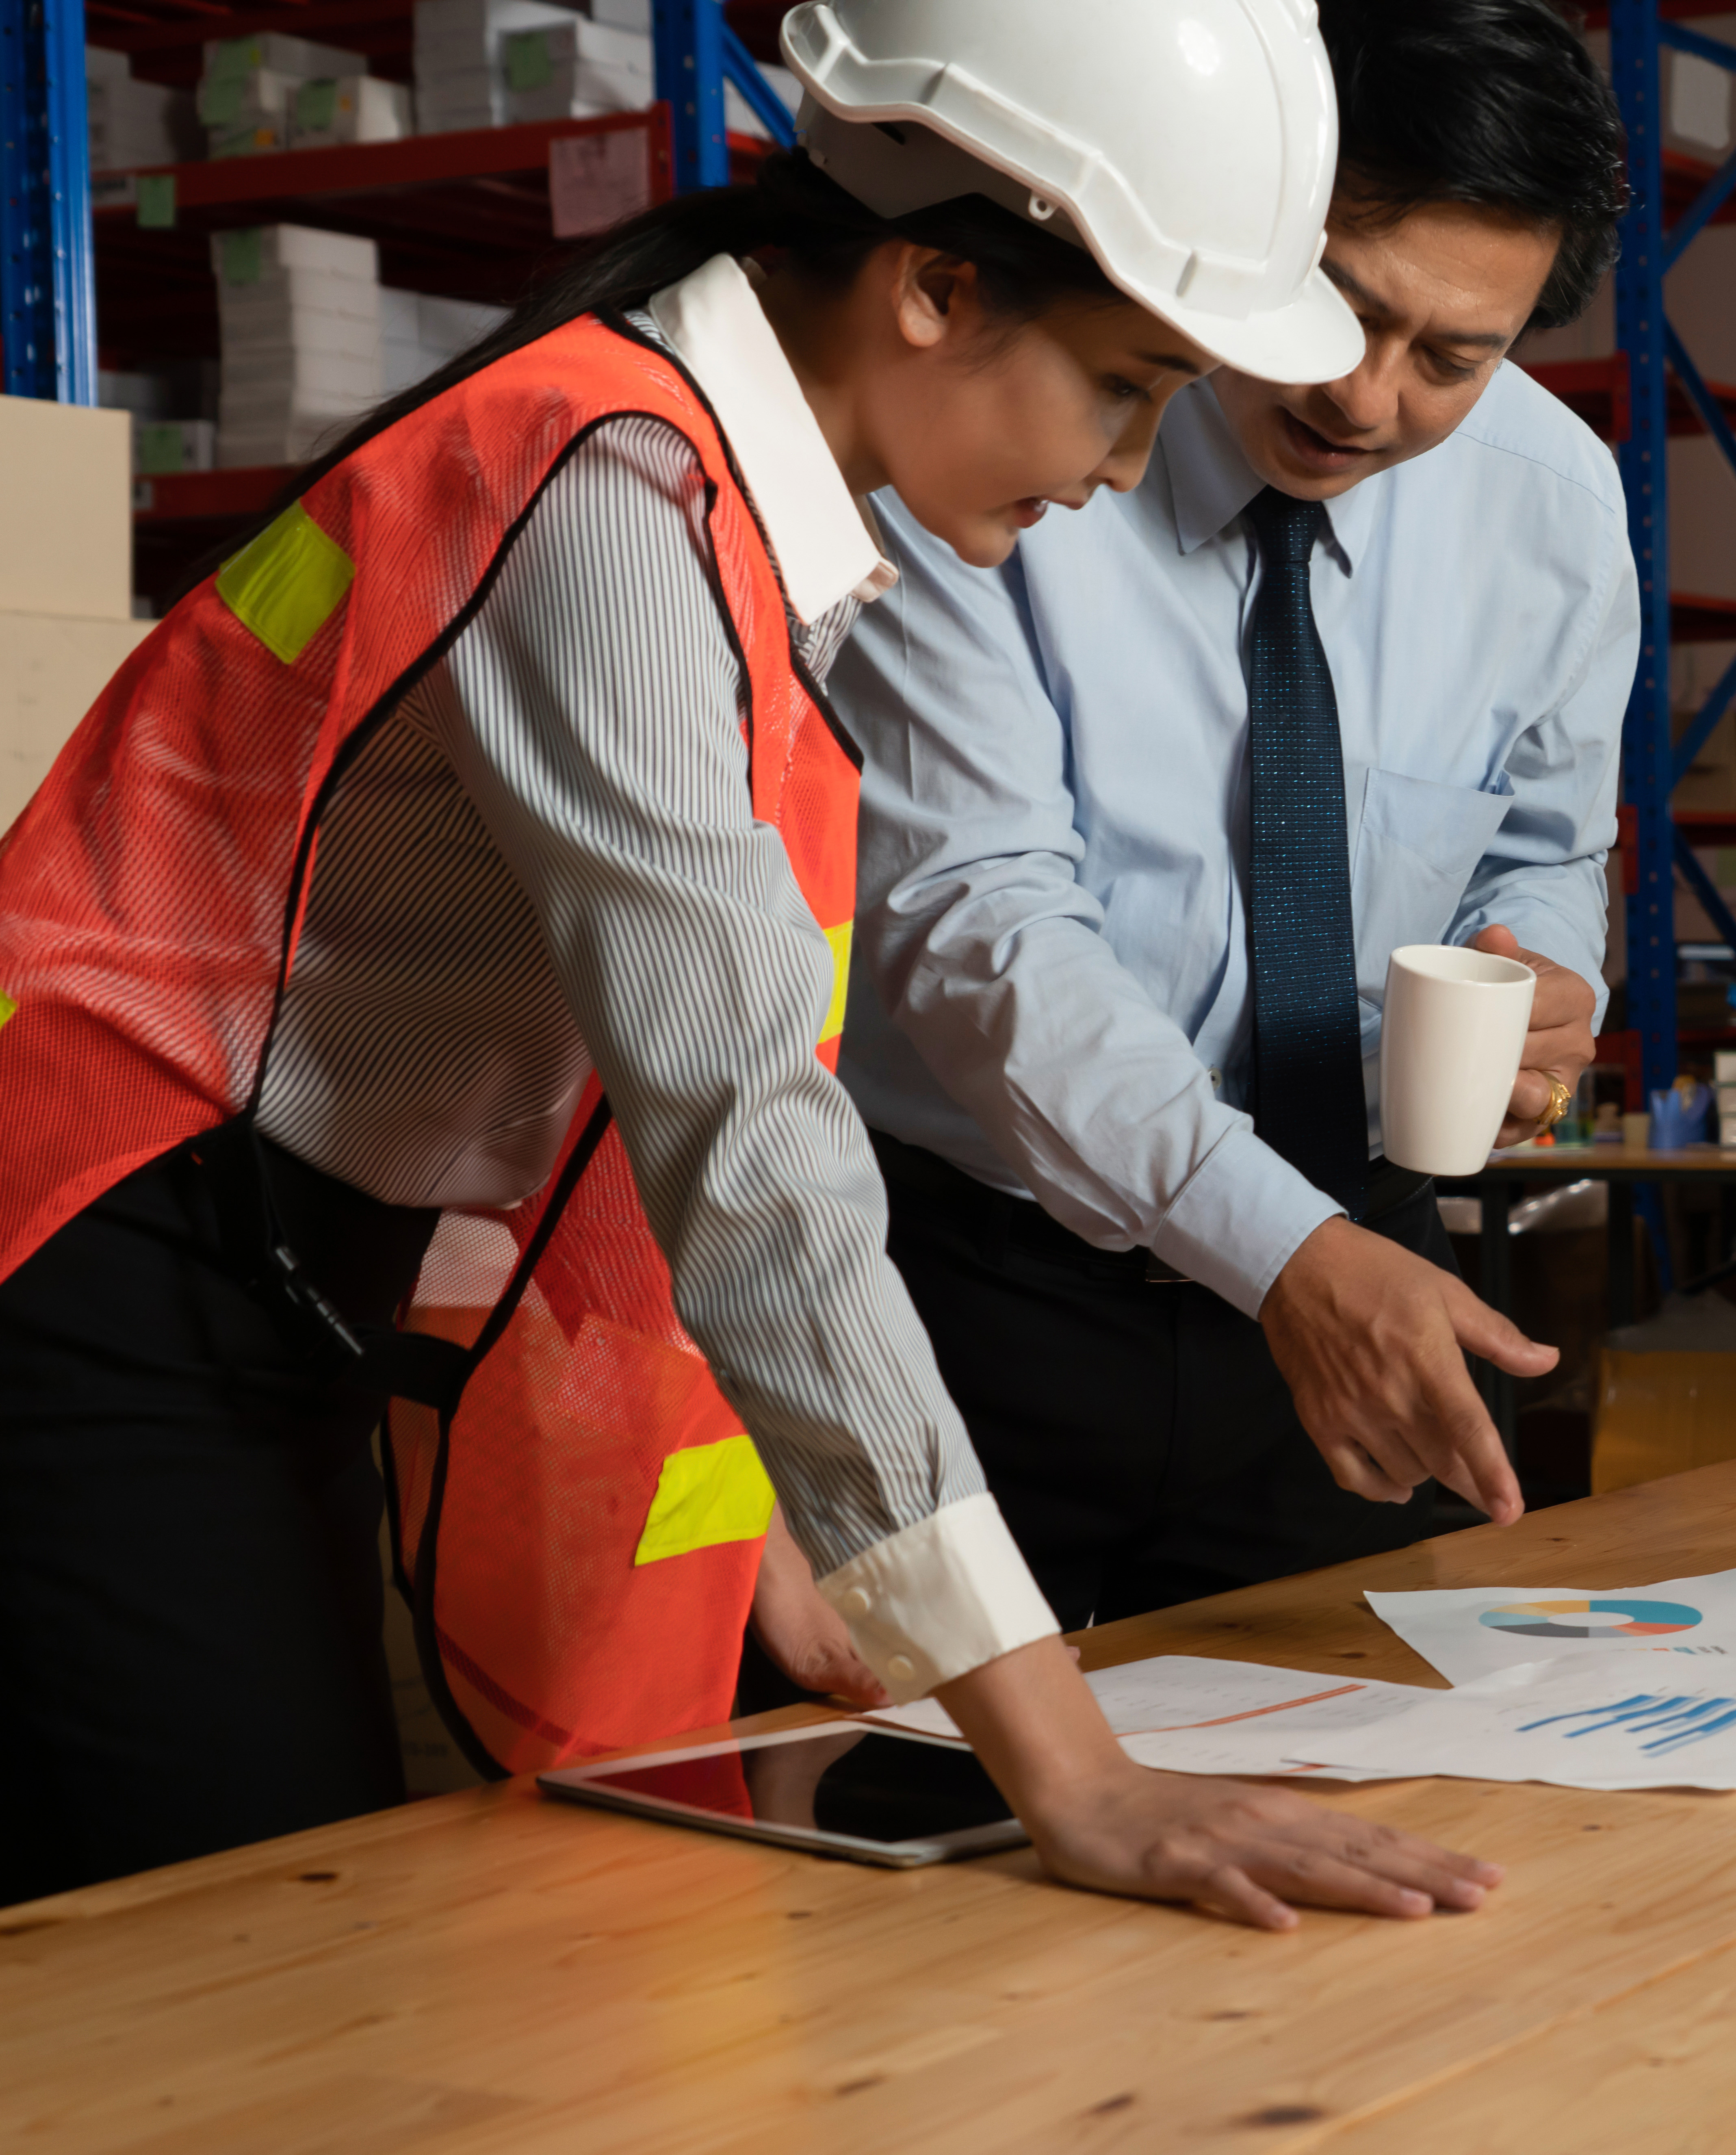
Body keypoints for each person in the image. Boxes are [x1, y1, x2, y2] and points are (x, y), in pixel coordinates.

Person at [0, 0, 1495, 1930]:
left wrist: (818, 1536)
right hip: (90, 1251)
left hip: (258, 1274)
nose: (1129, 468)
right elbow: (747, 1139)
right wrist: (1079, 1769)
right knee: (230, 1934)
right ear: (939, 287)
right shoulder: (607, 495)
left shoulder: (712, 501)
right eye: (1126, 385)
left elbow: (598, 1085)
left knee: (294, 1897)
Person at [828, 0, 1632, 1628]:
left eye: (1453, 358)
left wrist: (1545, 978)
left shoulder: (1550, 502)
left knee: (1358, 1801)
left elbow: (1548, 844)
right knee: (905, 1826)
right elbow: (981, 922)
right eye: (1339, 308)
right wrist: (1283, 1257)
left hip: (1362, 1275)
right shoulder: (1007, 429)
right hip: (980, 1293)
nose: (1365, 398)